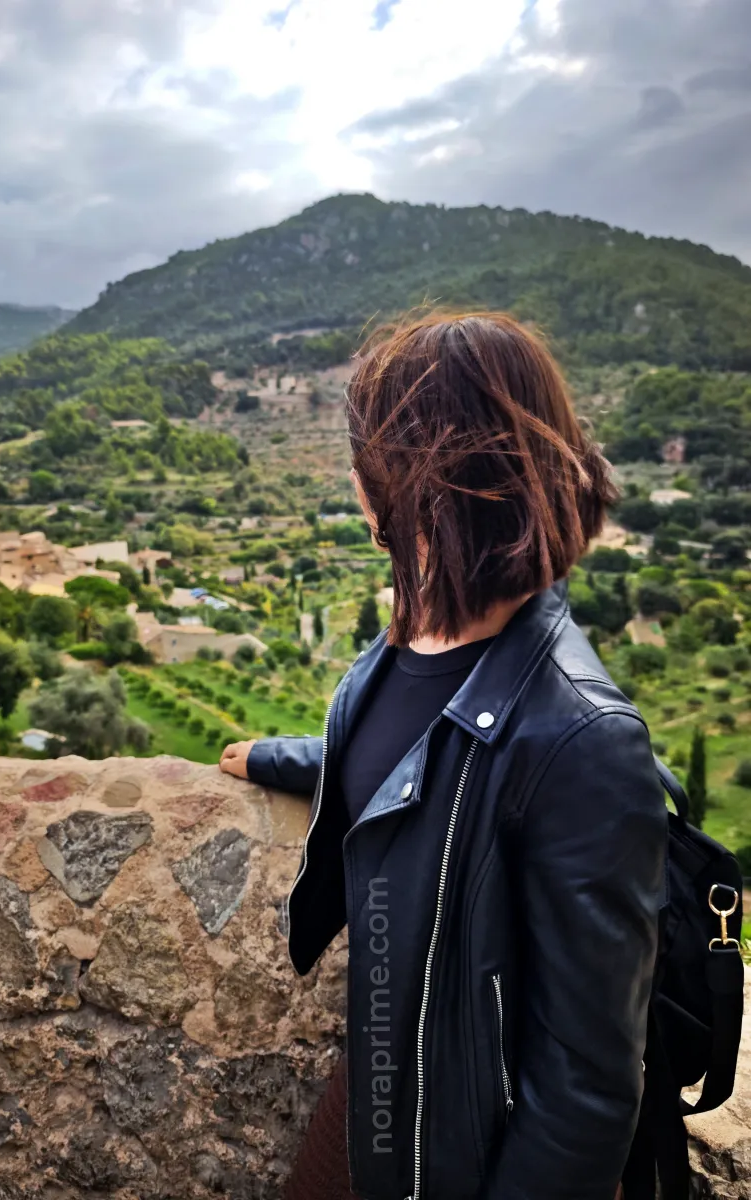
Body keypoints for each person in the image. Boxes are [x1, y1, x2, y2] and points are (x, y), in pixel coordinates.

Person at [220, 312, 667, 1200]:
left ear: (421, 477)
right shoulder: (411, 644)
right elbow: (428, 769)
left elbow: (585, 1089)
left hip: (471, 1141)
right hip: (383, 1091)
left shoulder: (586, 739)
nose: (352, 476)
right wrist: (282, 755)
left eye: (367, 453)